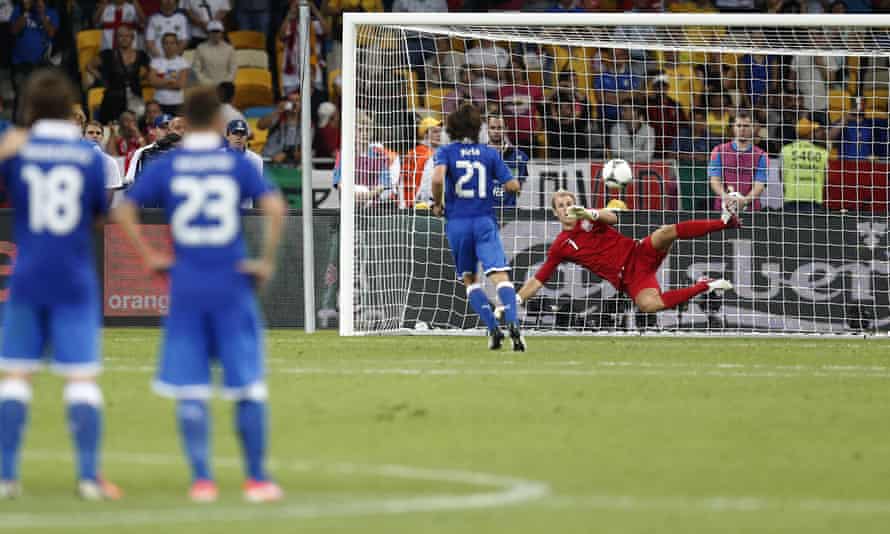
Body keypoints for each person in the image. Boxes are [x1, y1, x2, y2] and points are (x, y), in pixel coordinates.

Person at [111, 85, 286, 503]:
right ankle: (257, 479)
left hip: (186, 283)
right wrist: (264, 261)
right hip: (230, 282)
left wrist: (151, 257)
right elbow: (276, 208)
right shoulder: (236, 164)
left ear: (187, 121)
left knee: (191, 387)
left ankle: (202, 480)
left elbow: (122, 209)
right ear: (220, 121)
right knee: (247, 386)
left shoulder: (170, 165)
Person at [0, 69, 121, 501]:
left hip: (29, 272)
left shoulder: (16, 150)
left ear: (29, 109)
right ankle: (89, 478)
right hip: (73, 274)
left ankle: (6, 477)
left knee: (15, 377)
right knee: (81, 379)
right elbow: (97, 214)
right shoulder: (88, 156)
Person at [516, 190, 738, 317]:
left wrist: (589, 213)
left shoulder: (589, 218)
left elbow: (612, 217)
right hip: (630, 278)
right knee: (649, 305)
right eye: (561, 206)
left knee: (665, 232)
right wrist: (515, 299)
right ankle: (705, 285)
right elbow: (538, 279)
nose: (567, 208)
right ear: (555, 213)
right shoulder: (560, 245)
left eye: (570, 203)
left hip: (638, 252)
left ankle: (724, 222)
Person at [430, 104, 525, 351]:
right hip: (484, 220)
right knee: (500, 275)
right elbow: (513, 185)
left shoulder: (446, 151)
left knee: (470, 279)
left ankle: (493, 328)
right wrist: (502, 185)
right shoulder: (489, 153)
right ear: (477, 128)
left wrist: (438, 204)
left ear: (451, 128)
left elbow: (438, 178)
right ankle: (513, 322)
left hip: (457, 222)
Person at [86, 25, 150, 122]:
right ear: (116, 38)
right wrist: (101, 78)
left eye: (127, 36)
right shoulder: (107, 54)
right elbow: (89, 66)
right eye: (121, 36)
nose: (124, 39)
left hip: (135, 99)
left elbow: (146, 73)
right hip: (112, 98)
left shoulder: (142, 55)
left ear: (132, 38)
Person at [708, 111, 768, 213]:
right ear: (733, 128)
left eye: (746, 126)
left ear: (753, 128)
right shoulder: (718, 151)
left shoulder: (761, 155)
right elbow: (714, 181)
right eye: (738, 125)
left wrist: (744, 201)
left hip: (751, 210)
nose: (742, 129)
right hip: (723, 209)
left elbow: (759, 185)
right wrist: (726, 197)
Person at [781, 120, 829, 212]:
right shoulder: (822, 152)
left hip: (791, 197)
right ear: (810, 133)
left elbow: (781, 176)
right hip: (814, 197)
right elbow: (826, 177)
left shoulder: (785, 150)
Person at [486, 113, 528, 209]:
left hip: (510, 213)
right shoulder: (479, 155)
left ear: (506, 129)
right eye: (492, 128)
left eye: (500, 128)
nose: (496, 131)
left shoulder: (520, 157)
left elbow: (521, 187)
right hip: (485, 212)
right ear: (487, 129)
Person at [402, 115, 442, 208]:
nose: (439, 135)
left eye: (440, 131)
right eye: (435, 132)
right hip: (419, 204)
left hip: (420, 202)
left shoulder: (433, 152)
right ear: (425, 135)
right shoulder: (421, 153)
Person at [83, 120, 125, 205]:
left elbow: (109, 197)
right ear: (83, 136)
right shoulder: (74, 159)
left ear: (102, 137)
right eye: (90, 132)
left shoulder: (110, 162)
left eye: (98, 133)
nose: (95, 135)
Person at [149, 32, 189, 116]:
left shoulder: (183, 62)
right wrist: (170, 81)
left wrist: (160, 83)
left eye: (172, 43)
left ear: (177, 45)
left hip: (177, 103)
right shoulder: (155, 61)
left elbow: (180, 84)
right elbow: (152, 82)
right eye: (166, 43)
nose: (169, 46)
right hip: (159, 103)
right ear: (162, 45)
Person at [192, 20, 235, 87]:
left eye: (217, 32)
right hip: (206, 87)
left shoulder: (229, 49)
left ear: (222, 33)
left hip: (225, 88)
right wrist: (208, 83)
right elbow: (196, 69)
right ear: (208, 33)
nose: (215, 34)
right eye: (213, 32)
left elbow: (232, 70)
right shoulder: (200, 48)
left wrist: (224, 84)